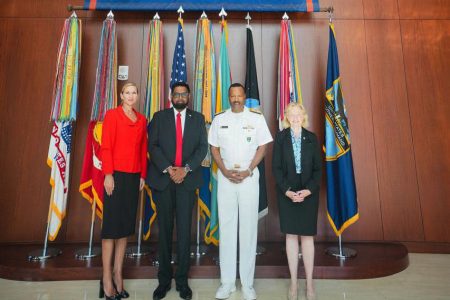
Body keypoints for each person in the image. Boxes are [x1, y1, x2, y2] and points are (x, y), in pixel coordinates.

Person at [209, 83, 273, 300]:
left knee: (247, 231)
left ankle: (247, 284)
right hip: (226, 179)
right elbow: (214, 147)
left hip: (248, 179)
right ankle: (226, 283)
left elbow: (263, 146)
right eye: (232, 95)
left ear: (245, 96)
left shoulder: (256, 118)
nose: (236, 99)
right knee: (227, 231)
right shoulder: (220, 119)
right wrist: (224, 170)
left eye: (239, 95)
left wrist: (249, 169)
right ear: (229, 97)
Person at [147, 82, 208, 300]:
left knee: (184, 232)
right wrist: (168, 168)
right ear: (171, 96)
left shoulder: (198, 119)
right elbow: (152, 146)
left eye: (184, 94)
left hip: (187, 181)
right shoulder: (159, 117)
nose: (180, 97)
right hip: (164, 180)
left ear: (189, 96)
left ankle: (182, 281)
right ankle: (163, 281)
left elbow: (203, 147)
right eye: (176, 94)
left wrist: (186, 169)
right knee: (164, 232)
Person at [100, 82, 148, 300]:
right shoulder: (112, 115)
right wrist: (108, 174)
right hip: (115, 176)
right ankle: (106, 279)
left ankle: (118, 274)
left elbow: (142, 150)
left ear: (137, 96)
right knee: (111, 227)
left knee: (124, 227)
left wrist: (142, 176)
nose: (130, 95)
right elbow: (106, 146)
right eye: (127, 92)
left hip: (133, 177)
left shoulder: (142, 120)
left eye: (134, 92)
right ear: (121, 95)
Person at [272, 102, 322, 300]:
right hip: (288, 193)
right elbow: (276, 168)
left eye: (298, 114)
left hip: (309, 194)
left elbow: (318, 170)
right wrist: (288, 191)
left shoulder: (312, 138)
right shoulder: (280, 138)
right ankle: (294, 283)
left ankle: (309, 284)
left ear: (303, 117)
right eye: (291, 114)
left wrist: (308, 190)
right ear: (286, 117)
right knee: (291, 236)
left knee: (307, 238)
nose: (294, 118)